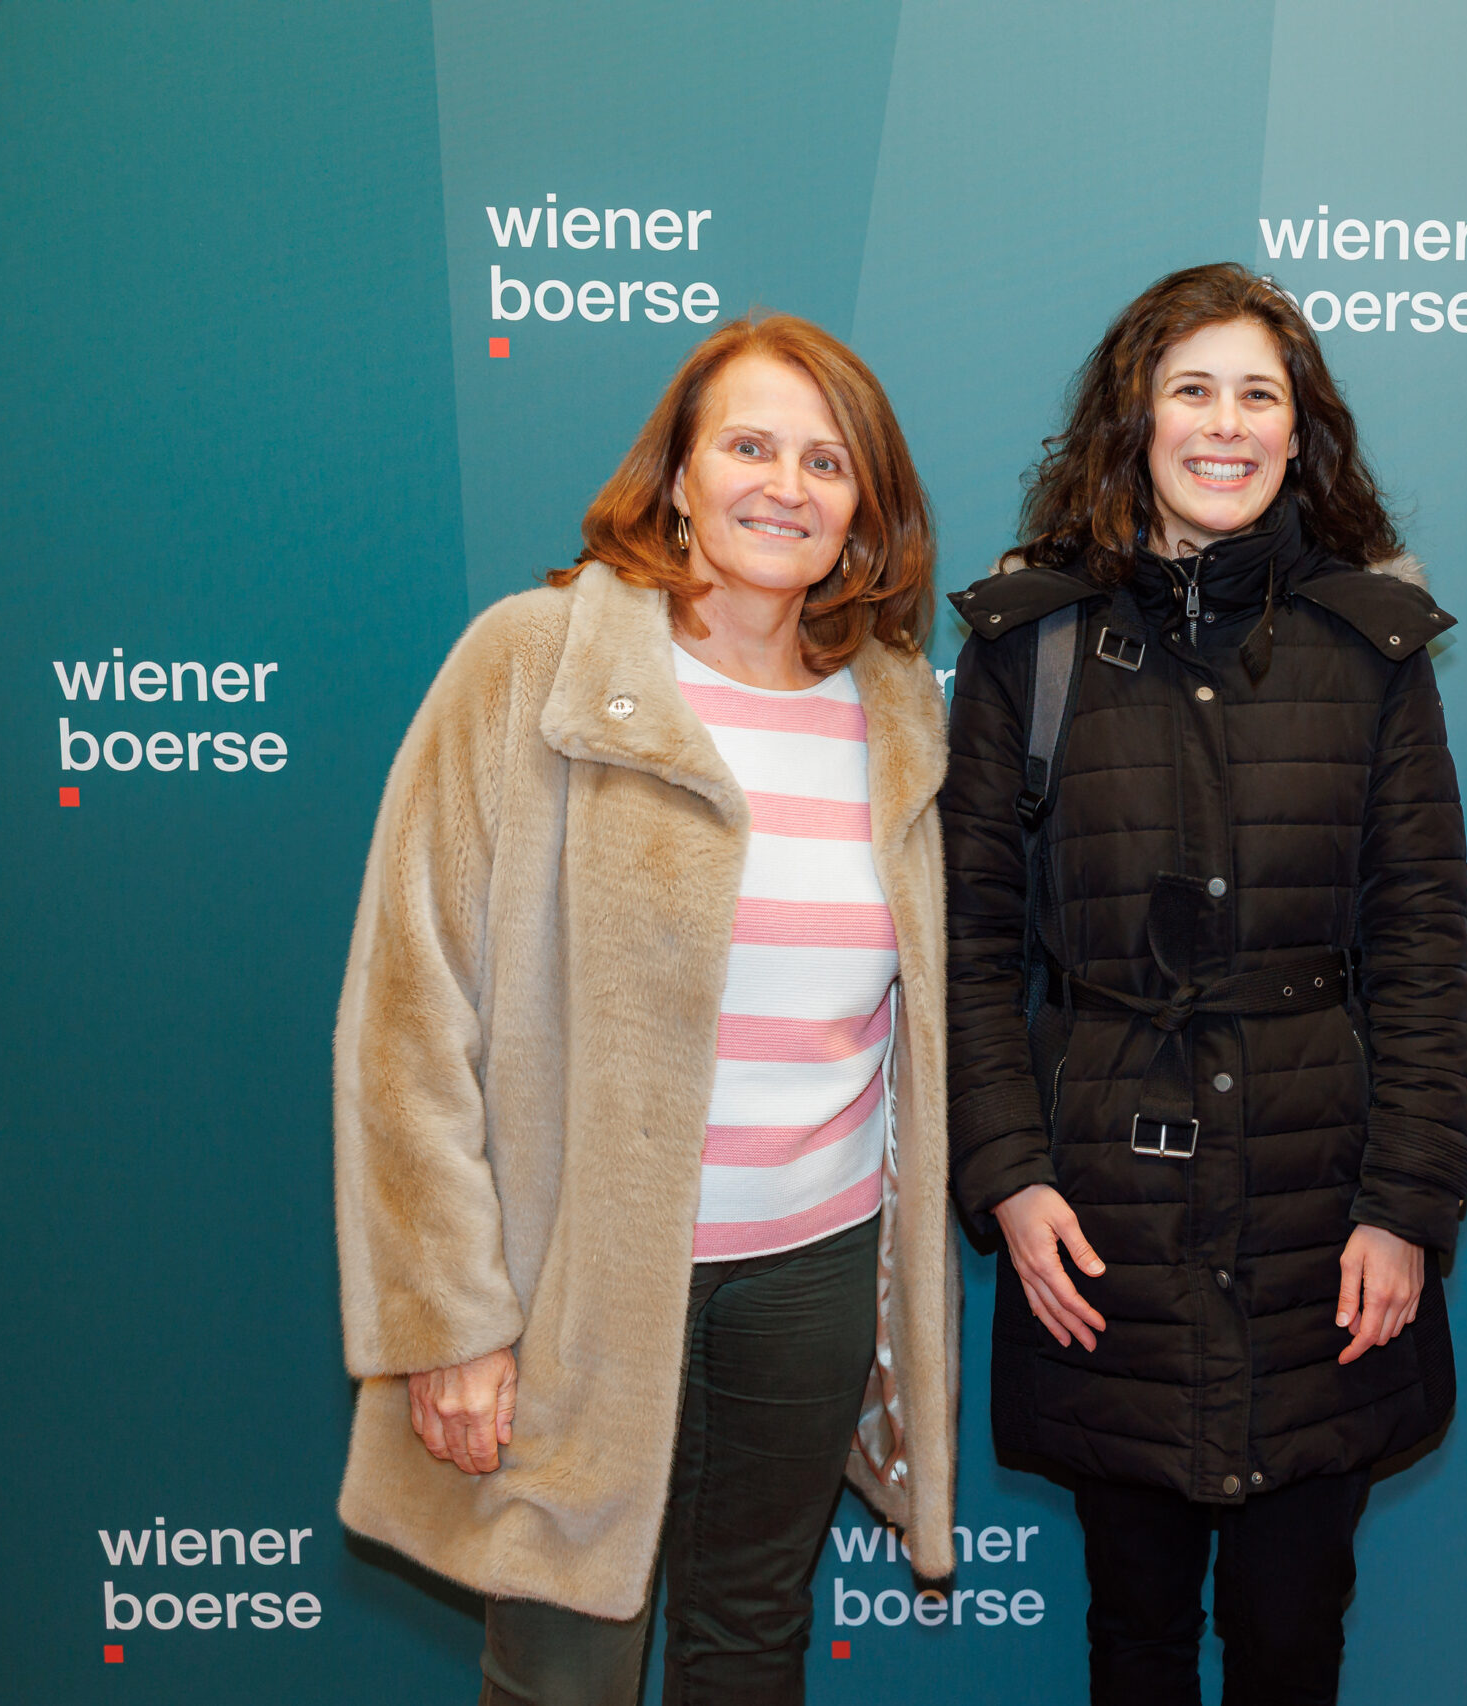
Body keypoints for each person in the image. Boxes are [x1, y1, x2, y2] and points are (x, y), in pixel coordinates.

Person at [332, 312, 959, 1705]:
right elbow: (409, 1012)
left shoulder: (896, 706)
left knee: (751, 1641)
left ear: (865, 508)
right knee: (562, 1663)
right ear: (678, 473)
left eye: (827, 462)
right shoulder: (534, 662)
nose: (785, 487)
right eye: (749, 447)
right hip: (578, 1272)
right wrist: (449, 1316)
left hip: (810, 1264)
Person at [941, 262, 1467, 1706]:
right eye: (1193, 390)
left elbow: (1425, 951)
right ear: (1136, 418)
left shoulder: (1371, 649)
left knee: (1295, 1634)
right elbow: (973, 947)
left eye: (1259, 395)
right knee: (1136, 1633)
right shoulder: (1027, 648)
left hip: (1323, 1223)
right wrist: (1010, 1178)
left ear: (1301, 433)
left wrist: (1405, 1208)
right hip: (1101, 1221)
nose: (1225, 424)